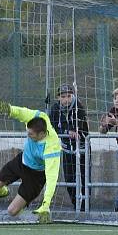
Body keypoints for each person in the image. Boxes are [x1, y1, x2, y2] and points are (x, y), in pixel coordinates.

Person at [0, 101, 61, 224]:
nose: (28, 136)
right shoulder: (37, 117)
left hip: (36, 176)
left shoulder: (52, 147)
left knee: (11, 211)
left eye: (31, 134)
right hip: (21, 162)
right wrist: (9, 109)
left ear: (41, 134)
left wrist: (46, 204)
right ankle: (4, 192)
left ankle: (31, 211)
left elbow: (52, 178)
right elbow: (21, 112)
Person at [48, 83, 89, 211]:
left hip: (81, 148)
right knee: (69, 178)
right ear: (58, 98)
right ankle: (74, 203)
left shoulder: (79, 107)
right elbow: (52, 127)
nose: (66, 99)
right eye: (63, 96)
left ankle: (84, 206)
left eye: (69, 96)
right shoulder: (55, 109)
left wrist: (75, 132)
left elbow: (82, 128)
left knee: (83, 177)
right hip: (66, 148)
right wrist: (66, 132)